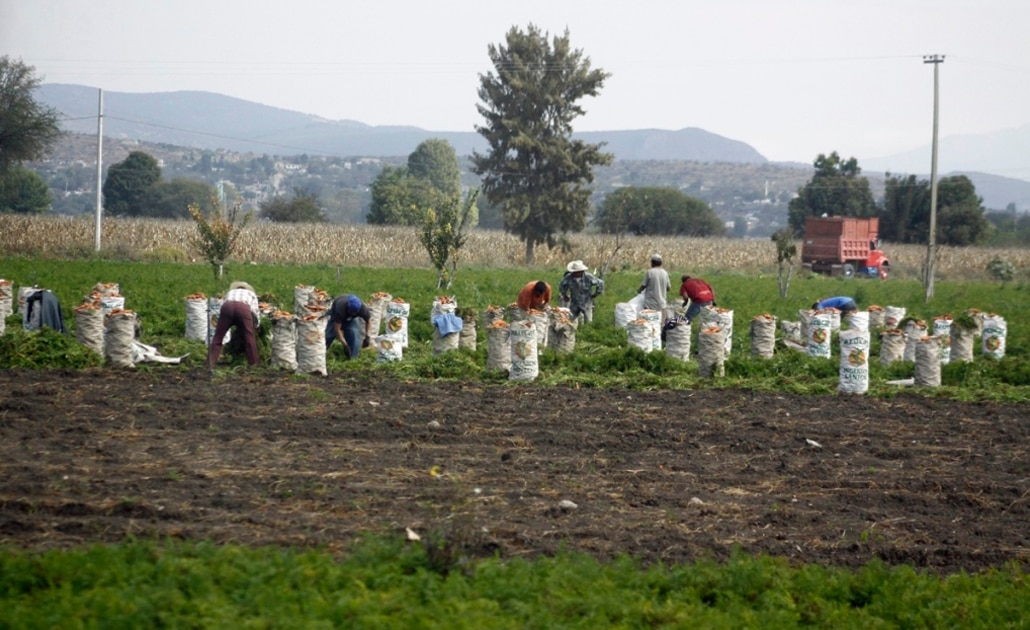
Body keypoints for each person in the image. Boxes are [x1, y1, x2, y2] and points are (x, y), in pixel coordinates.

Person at [208, 281, 260, 368]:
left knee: (218, 337)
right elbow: (254, 311)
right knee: (249, 338)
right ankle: (253, 363)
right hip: (242, 309)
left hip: (227, 308)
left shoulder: (230, 293)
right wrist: (256, 325)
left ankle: (210, 362)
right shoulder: (251, 294)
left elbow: (223, 305)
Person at [326, 293, 372, 359]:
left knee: (353, 334)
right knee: (328, 335)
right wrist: (345, 345)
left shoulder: (363, 308)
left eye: (354, 313)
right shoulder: (340, 307)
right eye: (351, 312)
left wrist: (367, 336)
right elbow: (337, 329)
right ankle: (321, 354)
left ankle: (352, 358)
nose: (353, 313)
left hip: (351, 320)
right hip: (335, 317)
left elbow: (368, 321)